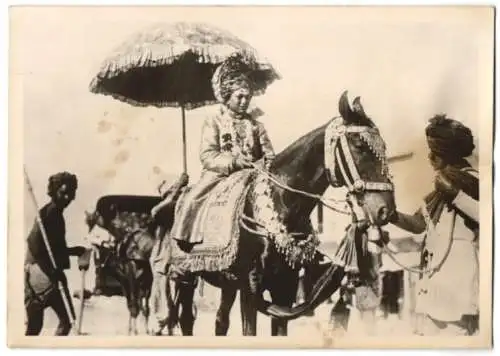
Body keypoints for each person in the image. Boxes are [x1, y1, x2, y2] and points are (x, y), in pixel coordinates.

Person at [389, 114, 479, 336]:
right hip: (435, 276)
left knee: (457, 337)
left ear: (448, 155)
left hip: (459, 274)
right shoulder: (439, 189)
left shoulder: (473, 180)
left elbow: (489, 218)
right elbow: (419, 224)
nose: (430, 158)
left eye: (435, 154)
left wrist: (455, 195)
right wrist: (389, 215)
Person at [24, 172, 90, 336]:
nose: (68, 197)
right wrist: (53, 273)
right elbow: (35, 246)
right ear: (54, 191)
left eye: (71, 193)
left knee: (35, 327)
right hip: (41, 275)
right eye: (63, 192)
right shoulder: (51, 213)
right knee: (66, 320)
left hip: (37, 274)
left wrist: (73, 251)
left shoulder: (52, 212)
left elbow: (52, 248)